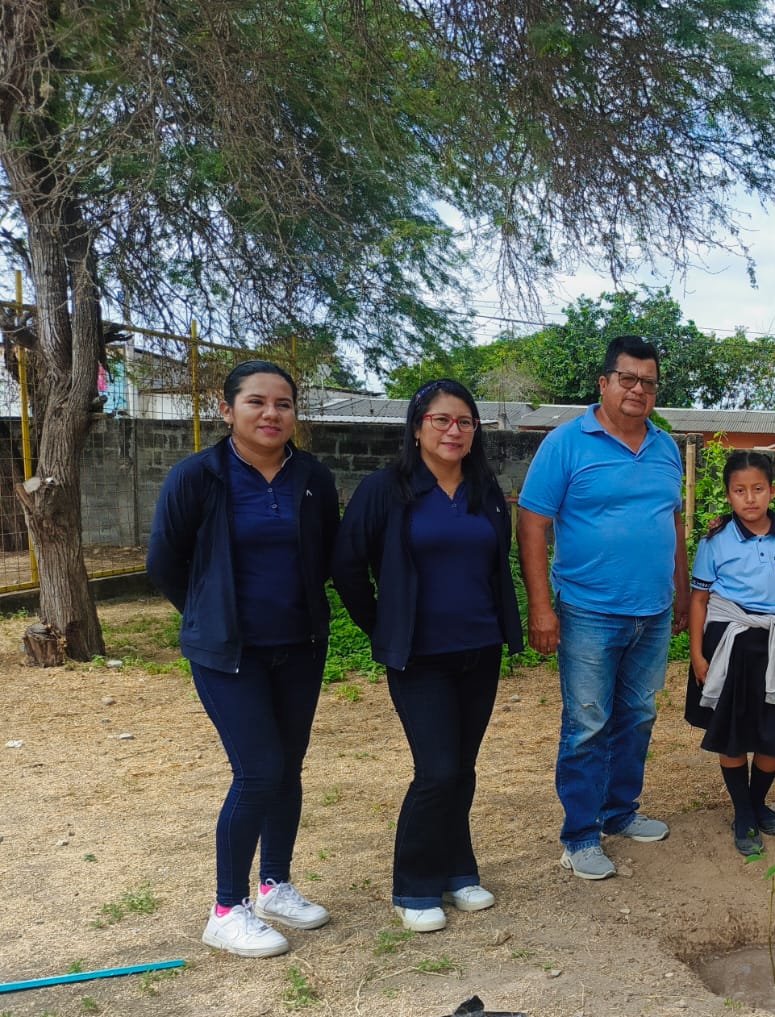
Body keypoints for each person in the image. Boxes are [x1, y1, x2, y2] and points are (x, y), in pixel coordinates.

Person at [146, 360, 339, 957]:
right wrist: (207, 614)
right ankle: (227, 909)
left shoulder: (313, 477)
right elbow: (164, 562)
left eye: (283, 403)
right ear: (227, 410)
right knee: (257, 771)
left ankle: (275, 884)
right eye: (256, 402)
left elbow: (326, 555)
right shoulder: (198, 476)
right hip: (228, 654)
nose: (271, 413)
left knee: (288, 766)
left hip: (299, 648)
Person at [332, 379, 524, 931]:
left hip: (479, 650)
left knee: (461, 769)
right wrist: (382, 625)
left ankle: (458, 869)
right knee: (436, 770)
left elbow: (495, 562)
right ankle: (414, 885)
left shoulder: (485, 489)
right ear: (417, 428)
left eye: (464, 421)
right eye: (441, 420)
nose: (453, 431)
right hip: (419, 657)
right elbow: (347, 566)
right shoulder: (385, 489)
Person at [517, 336, 690, 882]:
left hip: (653, 611)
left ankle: (620, 812)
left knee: (638, 716)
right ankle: (581, 835)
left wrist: (683, 591)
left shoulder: (665, 446)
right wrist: (541, 607)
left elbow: (673, 522)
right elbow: (533, 523)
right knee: (588, 724)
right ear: (605, 383)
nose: (639, 390)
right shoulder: (566, 443)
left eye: (649, 382)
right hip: (588, 610)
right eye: (628, 379)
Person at [685, 451, 775, 856]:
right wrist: (697, 655)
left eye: (758, 489)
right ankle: (743, 813)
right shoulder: (716, 540)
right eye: (739, 491)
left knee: (773, 735)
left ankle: (758, 803)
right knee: (733, 734)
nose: (750, 498)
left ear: (772, 491)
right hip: (730, 642)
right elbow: (700, 600)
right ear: (728, 495)